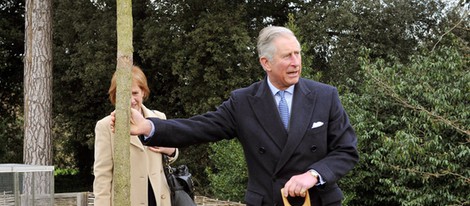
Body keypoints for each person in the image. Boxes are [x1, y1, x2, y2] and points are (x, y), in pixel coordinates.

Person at [113, 26, 359, 206]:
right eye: (287, 56)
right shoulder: (243, 102)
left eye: (298, 53)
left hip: (319, 201)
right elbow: (199, 127)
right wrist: (148, 127)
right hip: (267, 201)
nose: (296, 62)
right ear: (266, 63)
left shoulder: (325, 96)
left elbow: (346, 151)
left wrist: (313, 175)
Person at [94, 65, 179, 206]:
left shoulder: (159, 117)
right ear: (115, 97)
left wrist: (171, 150)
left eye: (135, 93)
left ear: (143, 92)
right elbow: (102, 175)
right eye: (124, 94)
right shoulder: (105, 126)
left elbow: (170, 156)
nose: (131, 100)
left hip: (160, 199)